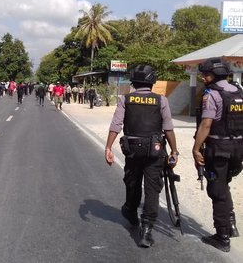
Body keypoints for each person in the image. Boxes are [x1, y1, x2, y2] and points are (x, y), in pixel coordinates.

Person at [104, 64, 179, 248]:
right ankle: (146, 231)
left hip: (132, 151)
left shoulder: (125, 99)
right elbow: (168, 128)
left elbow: (116, 124)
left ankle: (130, 210)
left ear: (134, 82)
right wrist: (174, 151)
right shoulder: (161, 100)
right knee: (152, 190)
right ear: (152, 82)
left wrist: (108, 147)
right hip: (155, 151)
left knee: (132, 182)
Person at [192, 57, 243, 252]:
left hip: (219, 149)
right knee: (224, 185)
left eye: (206, 74)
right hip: (238, 149)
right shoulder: (238, 92)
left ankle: (222, 237)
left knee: (217, 191)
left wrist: (196, 149)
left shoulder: (212, 95)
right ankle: (230, 224)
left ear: (215, 75)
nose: (203, 77)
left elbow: (206, 124)